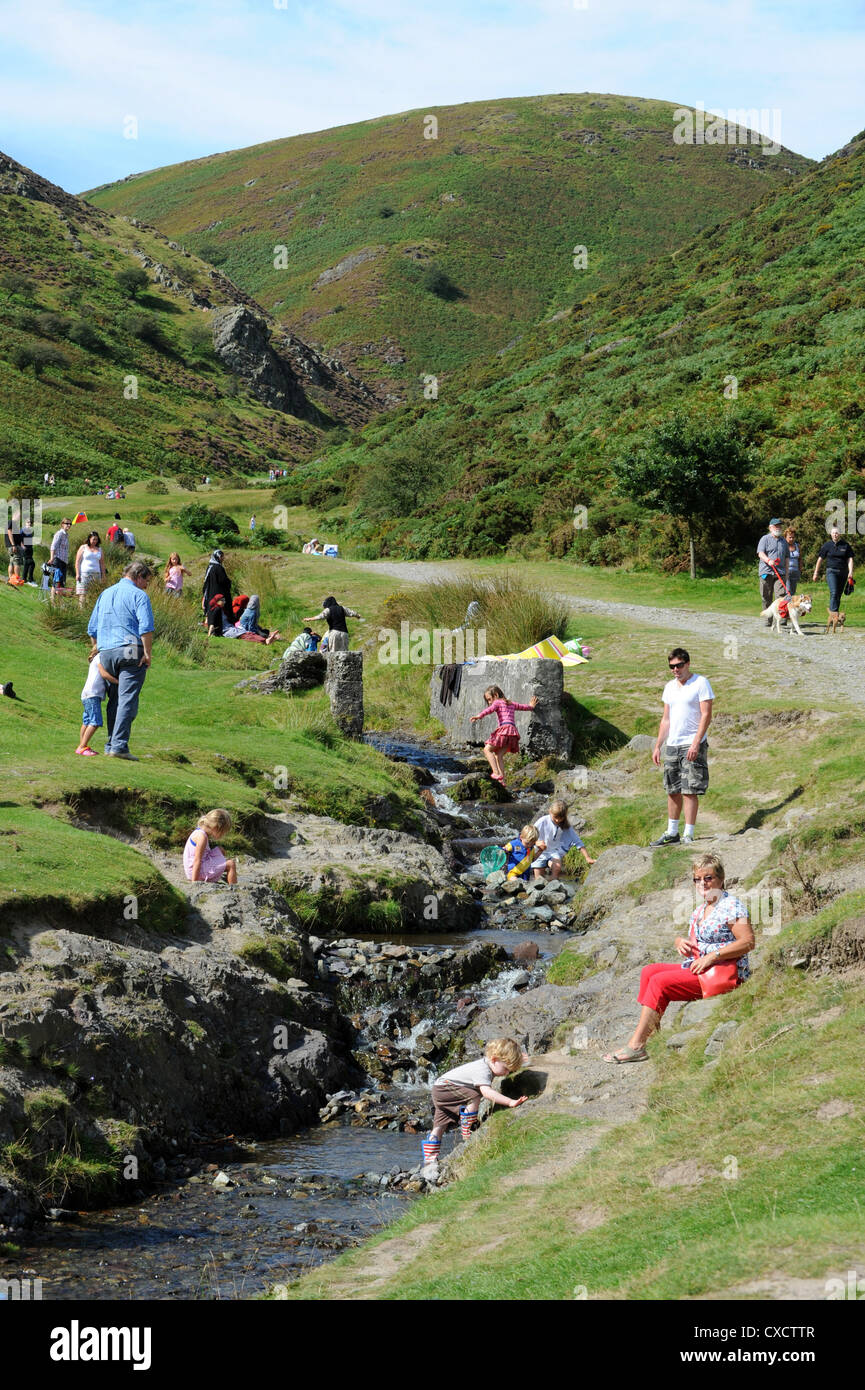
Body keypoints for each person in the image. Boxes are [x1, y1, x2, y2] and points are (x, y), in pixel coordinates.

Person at [603, 854, 753, 1062]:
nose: (703, 883)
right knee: (649, 971)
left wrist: (712, 957)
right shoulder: (701, 909)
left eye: (708, 878)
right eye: (697, 879)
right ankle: (651, 1033)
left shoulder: (731, 906)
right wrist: (679, 942)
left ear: (720, 879)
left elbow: (748, 942)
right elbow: (697, 943)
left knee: (660, 982)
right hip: (705, 967)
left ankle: (637, 1045)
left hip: (726, 973)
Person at [86, 560, 154, 761]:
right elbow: (146, 627)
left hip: (106, 650)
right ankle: (119, 746)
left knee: (115, 699)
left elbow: (92, 628)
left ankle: (110, 744)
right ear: (139, 576)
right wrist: (147, 653)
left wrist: (98, 647)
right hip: (130, 647)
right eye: (146, 581)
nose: (146, 585)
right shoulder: (139, 595)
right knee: (127, 698)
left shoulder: (105, 593)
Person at [422, 1038, 529, 1164]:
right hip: (445, 1088)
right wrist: (510, 1102)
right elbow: (487, 1093)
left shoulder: (491, 1063)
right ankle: (467, 1127)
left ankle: (429, 1159)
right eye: (506, 1069)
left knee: (440, 1124)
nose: (507, 1073)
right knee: (474, 1096)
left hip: (439, 1088)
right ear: (494, 1060)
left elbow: (506, 1062)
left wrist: (520, 1060)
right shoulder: (482, 1070)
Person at [649, 648, 713, 847]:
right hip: (673, 744)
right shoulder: (669, 687)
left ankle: (688, 833)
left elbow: (706, 715)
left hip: (692, 743)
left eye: (678, 665)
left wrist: (696, 743)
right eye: (671, 667)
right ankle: (672, 832)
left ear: (687, 664)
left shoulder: (700, 683)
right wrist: (658, 745)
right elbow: (666, 719)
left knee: (689, 789)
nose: (675, 670)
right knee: (672, 789)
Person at [470, 685, 538, 786]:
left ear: (496, 695)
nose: (489, 702)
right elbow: (523, 707)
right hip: (513, 733)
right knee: (499, 755)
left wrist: (479, 716)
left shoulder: (497, 702)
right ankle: (502, 780)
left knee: (487, 750)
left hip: (505, 730)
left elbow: (489, 710)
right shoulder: (510, 703)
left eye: (489, 699)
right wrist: (531, 706)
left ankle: (496, 773)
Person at [532, 800, 596, 879]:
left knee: (557, 867)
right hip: (540, 852)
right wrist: (536, 842)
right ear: (550, 811)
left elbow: (577, 841)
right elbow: (530, 835)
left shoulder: (565, 826)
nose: (558, 820)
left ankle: (553, 885)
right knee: (538, 880)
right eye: (555, 817)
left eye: (561, 818)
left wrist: (587, 857)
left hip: (554, 852)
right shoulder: (542, 821)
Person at [76, 649, 118, 756]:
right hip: (93, 693)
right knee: (95, 722)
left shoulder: (95, 658)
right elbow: (104, 674)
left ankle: (82, 746)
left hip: (86, 693)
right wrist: (119, 682)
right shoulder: (100, 657)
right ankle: (82, 747)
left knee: (86, 721)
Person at [183, 809, 238, 885]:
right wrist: (195, 883)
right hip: (195, 873)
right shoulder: (202, 837)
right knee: (231, 864)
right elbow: (197, 860)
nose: (223, 835)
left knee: (220, 850)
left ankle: (222, 873)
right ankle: (234, 889)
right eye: (223, 832)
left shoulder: (200, 831)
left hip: (198, 866)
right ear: (216, 828)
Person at [813, 525, 854, 617]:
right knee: (834, 592)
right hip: (831, 571)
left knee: (838, 594)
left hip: (843, 572)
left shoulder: (845, 545)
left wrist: (850, 572)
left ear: (840, 534)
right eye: (833, 533)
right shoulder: (827, 545)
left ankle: (835, 614)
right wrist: (816, 572)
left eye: (837, 533)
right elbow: (820, 559)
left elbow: (850, 559)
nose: (835, 535)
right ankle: (833, 616)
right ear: (830, 534)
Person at [756, 518, 789, 626]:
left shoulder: (784, 541)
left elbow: (787, 558)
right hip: (766, 572)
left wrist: (787, 573)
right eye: (776, 526)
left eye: (779, 526)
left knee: (781, 596)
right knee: (766, 596)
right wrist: (768, 560)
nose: (778, 528)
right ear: (770, 528)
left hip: (780, 573)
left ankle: (782, 618)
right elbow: (760, 553)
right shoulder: (765, 539)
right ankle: (768, 620)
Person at [74, 531, 106, 606]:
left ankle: (91, 609)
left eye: (96, 539)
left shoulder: (99, 549)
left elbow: (102, 564)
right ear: (89, 539)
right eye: (93, 539)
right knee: (82, 593)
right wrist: (77, 574)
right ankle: (81, 609)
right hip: (84, 574)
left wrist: (103, 575)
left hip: (96, 574)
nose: (95, 541)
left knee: (94, 593)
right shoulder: (83, 547)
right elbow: (77, 562)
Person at [202, 548, 232, 619]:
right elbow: (223, 580)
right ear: (217, 557)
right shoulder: (218, 568)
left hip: (210, 592)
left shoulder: (210, 566)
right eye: (221, 557)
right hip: (218, 592)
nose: (223, 558)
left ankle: (210, 621)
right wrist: (229, 582)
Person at [49, 516, 73, 595]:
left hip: (64, 561)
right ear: (62, 524)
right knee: (56, 581)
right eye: (67, 524)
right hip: (57, 560)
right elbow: (53, 546)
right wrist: (52, 558)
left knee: (62, 583)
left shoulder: (66, 535)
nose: (69, 525)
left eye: (70, 524)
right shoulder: (59, 534)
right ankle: (52, 601)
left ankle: (58, 602)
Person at [784, 527, 801, 596]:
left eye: (793, 537)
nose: (791, 539)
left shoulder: (797, 546)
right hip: (786, 571)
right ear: (785, 537)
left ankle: (791, 606)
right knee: (787, 591)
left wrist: (800, 570)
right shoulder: (783, 546)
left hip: (795, 571)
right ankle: (785, 605)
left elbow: (800, 558)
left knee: (793, 592)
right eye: (790, 537)